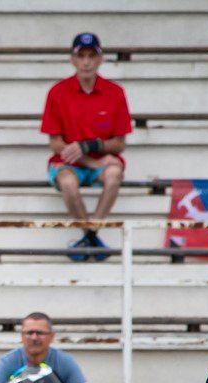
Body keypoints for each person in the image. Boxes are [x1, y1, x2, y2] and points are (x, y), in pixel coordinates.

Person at [40, 32, 132, 260]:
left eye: (91, 56)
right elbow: (55, 143)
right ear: (73, 60)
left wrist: (89, 145)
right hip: (70, 163)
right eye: (81, 56)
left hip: (99, 163)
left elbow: (119, 143)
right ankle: (91, 238)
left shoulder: (115, 93)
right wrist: (91, 160)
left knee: (114, 174)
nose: (86, 62)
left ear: (100, 59)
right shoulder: (57, 92)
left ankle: (89, 236)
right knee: (68, 182)